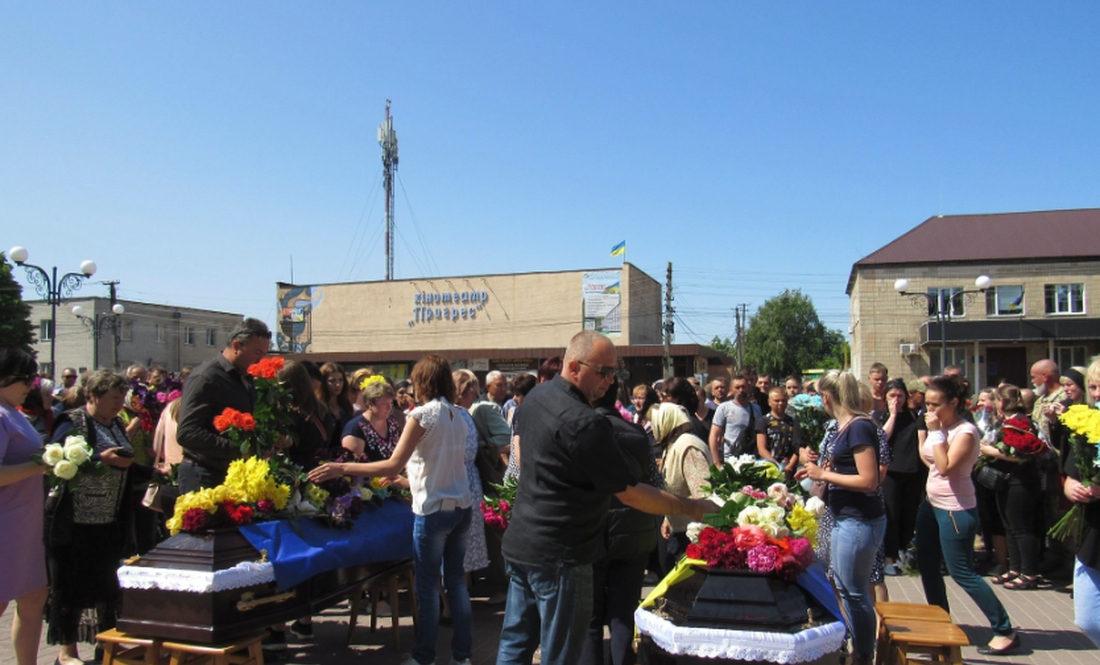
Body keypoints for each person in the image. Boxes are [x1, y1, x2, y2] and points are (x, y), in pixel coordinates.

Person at [495, 331, 714, 665]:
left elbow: (527, 461)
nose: (611, 380)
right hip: (562, 555)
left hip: (524, 543)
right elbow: (630, 493)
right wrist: (693, 508)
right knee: (561, 653)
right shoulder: (584, 422)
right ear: (572, 366)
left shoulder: (537, 398)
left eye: (615, 372)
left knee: (515, 644)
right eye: (603, 371)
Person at [309, 355, 475, 665]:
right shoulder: (460, 414)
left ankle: (425, 656)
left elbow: (393, 462)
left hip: (434, 510)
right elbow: (437, 463)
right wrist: (403, 480)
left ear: (421, 381)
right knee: (455, 584)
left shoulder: (422, 415)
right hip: (460, 505)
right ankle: (462, 657)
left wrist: (340, 467)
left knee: (426, 588)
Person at [47, 370, 155, 665]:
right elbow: (54, 459)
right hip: (74, 521)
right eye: (113, 398)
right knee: (70, 585)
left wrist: (157, 473)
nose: (120, 404)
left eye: (122, 397)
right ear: (93, 396)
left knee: (106, 585)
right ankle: (66, 653)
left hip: (109, 520)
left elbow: (127, 463)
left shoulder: (117, 424)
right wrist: (98, 459)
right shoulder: (72, 422)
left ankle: (106, 646)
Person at [914, 375, 1019, 656]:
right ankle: (940, 621)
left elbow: (946, 466)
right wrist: (932, 437)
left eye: (936, 405)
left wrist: (935, 433)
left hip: (955, 509)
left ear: (954, 403)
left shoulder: (966, 432)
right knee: (926, 564)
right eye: (927, 404)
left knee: (962, 572)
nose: (930, 411)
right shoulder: (937, 428)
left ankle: (1004, 629)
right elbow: (930, 458)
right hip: (932, 505)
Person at [795, 371, 885, 665]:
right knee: (845, 588)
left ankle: (863, 655)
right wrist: (818, 470)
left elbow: (870, 480)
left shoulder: (859, 427)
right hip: (845, 517)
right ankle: (858, 650)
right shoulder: (846, 427)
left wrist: (824, 474)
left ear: (827, 397)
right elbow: (849, 470)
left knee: (855, 592)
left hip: (858, 520)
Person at [580, 378, 661, 665]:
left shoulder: (580, 431)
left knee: (588, 619)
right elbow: (655, 483)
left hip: (591, 533)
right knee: (623, 613)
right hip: (633, 534)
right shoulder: (637, 433)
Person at [176, 318, 271, 492]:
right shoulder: (206, 378)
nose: (260, 360)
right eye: (256, 352)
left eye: (264, 354)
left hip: (233, 475)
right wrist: (238, 449)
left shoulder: (246, 379)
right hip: (203, 476)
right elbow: (187, 433)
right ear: (236, 345)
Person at [0, 347, 49, 665]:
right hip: (6, 525)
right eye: (25, 378)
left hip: (24, 524)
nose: (31, 385)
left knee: (33, 597)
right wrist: (41, 464)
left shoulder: (11, 411)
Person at [979, 384, 1047, 590]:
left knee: (1021, 528)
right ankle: (1015, 567)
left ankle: (1029, 573)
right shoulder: (1004, 422)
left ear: (1002, 401)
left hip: (1021, 482)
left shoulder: (1021, 422)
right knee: (1008, 526)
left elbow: (1022, 455)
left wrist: (989, 451)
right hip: (1006, 481)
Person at [1064, 358, 1100, 647]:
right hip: (1092, 533)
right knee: (1088, 619)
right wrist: (1073, 487)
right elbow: (1070, 476)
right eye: (1093, 387)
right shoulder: (1088, 424)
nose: (1097, 394)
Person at [877, 379, 926, 576]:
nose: (896, 399)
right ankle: (888, 557)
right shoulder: (881, 417)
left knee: (909, 515)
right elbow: (882, 438)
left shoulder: (915, 416)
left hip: (913, 471)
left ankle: (904, 555)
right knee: (891, 515)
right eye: (892, 396)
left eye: (900, 396)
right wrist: (893, 414)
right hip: (891, 473)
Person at [653, 402, 712, 562]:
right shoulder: (673, 445)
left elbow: (703, 492)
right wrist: (668, 518)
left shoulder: (688, 446)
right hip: (678, 530)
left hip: (691, 536)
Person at [453, 369, 491, 576]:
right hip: (465, 481)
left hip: (461, 480)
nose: (475, 398)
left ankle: (458, 593)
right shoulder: (460, 415)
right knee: (463, 542)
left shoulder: (458, 414)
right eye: (473, 393)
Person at [342, 376, 404, 463]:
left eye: (390, 403)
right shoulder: (355, 428)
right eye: (384, 404)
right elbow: (353, 467)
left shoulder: (392, 423)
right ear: (370, 404)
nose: (389, 408)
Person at [708, 372, 761, 464]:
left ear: (748, 388)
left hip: (752, 459)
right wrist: (716, 463)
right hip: (731, 460)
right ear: (731, 390)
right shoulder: (724, 408)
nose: (741, 390)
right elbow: (714, 436)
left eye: (744, 387)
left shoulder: (756, 409)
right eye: (737, 387)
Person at [755, 386, 801, 476]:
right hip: (769, 467)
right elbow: (761, 448)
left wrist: (790, 466)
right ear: (769, 402)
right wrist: (777, 466)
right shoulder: (764, 421)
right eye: (777, 401)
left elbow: (798, 447)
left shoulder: (792, 421)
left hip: (789, 467)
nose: (780, 403)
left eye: (783, 401)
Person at [318, 362, 355, 443]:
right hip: (322, 453)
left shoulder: (346, 406)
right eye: (332, 381)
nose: (337, 384)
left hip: (343, 452)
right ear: (324, 383)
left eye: (340, 380)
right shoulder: (318, 407)